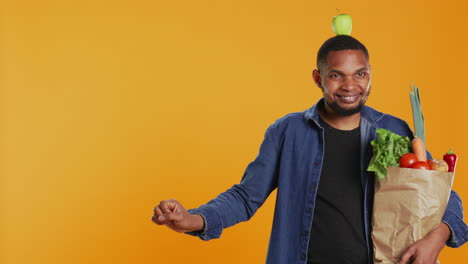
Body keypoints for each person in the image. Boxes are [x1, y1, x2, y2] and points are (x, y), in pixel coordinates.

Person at [152, 35, 467, 264]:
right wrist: (192, 219)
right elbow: (245, 197)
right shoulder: (287, 132)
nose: (350, 85)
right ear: (319, 78)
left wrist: (436, 239)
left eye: (360, 74)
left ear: (370, 77)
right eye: (336, 75)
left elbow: (440, 193)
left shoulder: (393, 131)